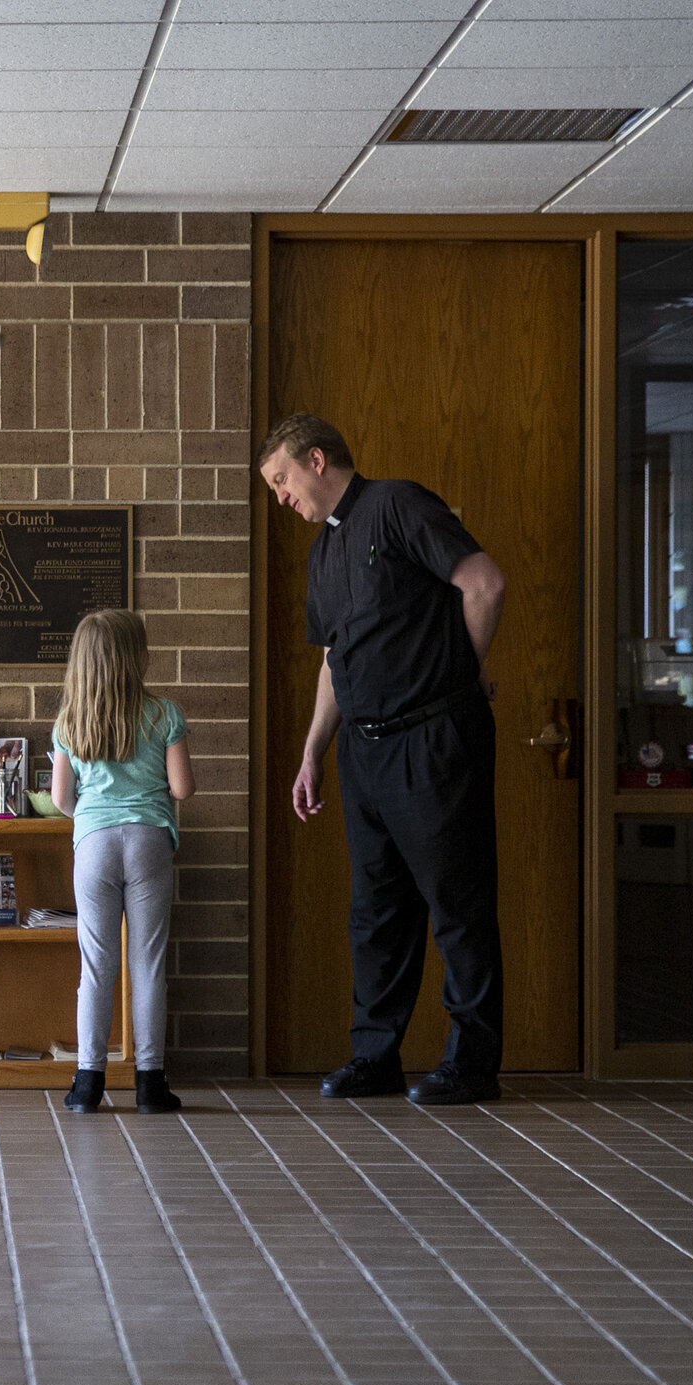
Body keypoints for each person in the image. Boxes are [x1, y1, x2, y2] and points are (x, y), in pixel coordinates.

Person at [258, 413, 507, 1106]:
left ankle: (473, 1063)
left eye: (280, 481)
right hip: (364, 753)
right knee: (376, 913)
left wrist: (457, 674)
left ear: (314, 460)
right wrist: (313, 750)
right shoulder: (323, 553)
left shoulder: (396, 504)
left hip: (432, 739)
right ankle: (376, 1056)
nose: (280, 498)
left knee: (456, 903)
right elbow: (335, 660)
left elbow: (484, 583)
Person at [49, 608, 194, 1114]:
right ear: (137, 658)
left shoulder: (70, 721)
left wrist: (94, 812)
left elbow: (62, 798)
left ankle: (87, 1081)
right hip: (150, 840)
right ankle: (150, 1082)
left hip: (93, 843)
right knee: (147, 963)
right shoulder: (165, 714)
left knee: (96, 964)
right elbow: (182, 788)